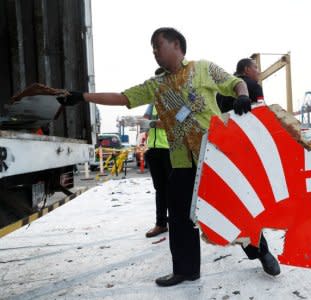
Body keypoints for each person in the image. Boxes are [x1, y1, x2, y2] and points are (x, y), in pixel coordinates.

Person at [57, 27, 253, 287]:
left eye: (157, 47)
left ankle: (259, 251)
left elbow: (234, 82)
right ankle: (186, 270)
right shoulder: (156, 85)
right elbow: (122, 97)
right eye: (152, 49)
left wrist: (243, 96)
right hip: (182, 161)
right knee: (180, 214)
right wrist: (82, 97)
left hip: (213, 154)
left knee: (232, 208)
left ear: (176, 45)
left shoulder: (203, 68)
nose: (154, 53)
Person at [216, 58, 280, 276]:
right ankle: (261, 251)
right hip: (251, 153)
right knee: (255, 203)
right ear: (245, 69)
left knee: (239, 204)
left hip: (226, 154)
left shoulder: (219, 92)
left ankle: (257, 249)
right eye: (255, 67)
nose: (258, 71)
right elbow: (263, 118)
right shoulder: (253, 87)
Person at [143, 103, 171, 238]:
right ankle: (161, 224)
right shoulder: (153, 103)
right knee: (160, 189)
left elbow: (173, 122)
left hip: (171, 150)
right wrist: (143, 122)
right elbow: (145, 120)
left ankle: (177, 222)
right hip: (153, 150)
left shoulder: (178, 98)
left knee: (175, 189)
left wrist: (150, 123)